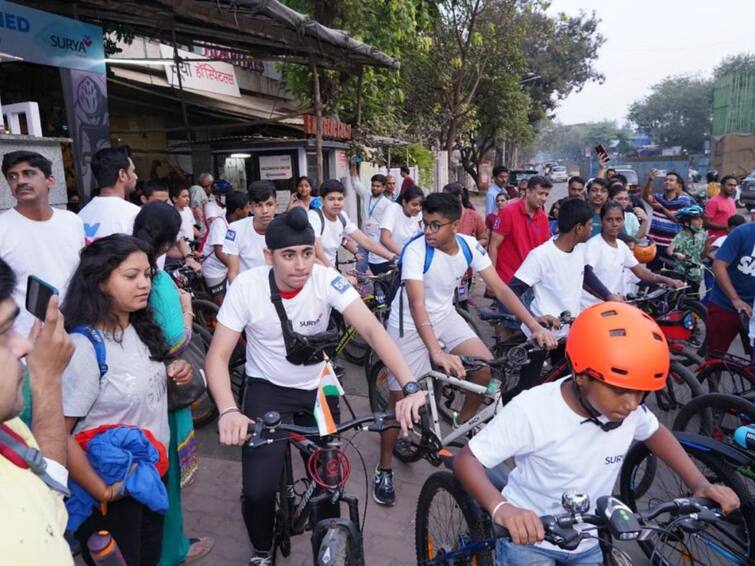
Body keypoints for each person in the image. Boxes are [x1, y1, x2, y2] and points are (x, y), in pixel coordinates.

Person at [204, 207, 426, 566]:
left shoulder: (326, 280)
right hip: (267, 389)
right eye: (288, 255)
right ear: (268, 256)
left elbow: (372, 330)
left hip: (319, 389)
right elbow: (216, 357)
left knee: (330, 485)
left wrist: (410, 384)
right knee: (258, 492)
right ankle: (262, 550)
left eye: (307, 253)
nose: (300, 264)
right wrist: (229, 410)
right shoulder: (246, 286)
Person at [455, 302, 739, 565]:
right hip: (530, 540)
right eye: (619, 390)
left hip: (588, 540)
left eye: (642, 393)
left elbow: (656, 432)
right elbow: (467, 461)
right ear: (581, 375)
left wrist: (699, 483)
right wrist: (502, 508)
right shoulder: (533, 410)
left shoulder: (627, 411)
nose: (632, 403)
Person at [378, 193, 557, 506]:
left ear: (455, 225)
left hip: (445, 317)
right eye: (425, 224)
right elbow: (418, 305)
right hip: (407, 326)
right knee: (400, 403)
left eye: (436, 225)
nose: (428, 231)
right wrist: (436, 351)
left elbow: (501, 287)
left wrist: (534, 324)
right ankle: (384, 467)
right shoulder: (416, 251)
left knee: (485, 369)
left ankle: (463, 421)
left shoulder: (469, 246)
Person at [61, 235, 194, 565]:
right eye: (130, 276)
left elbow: (130, 383)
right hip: (112, 490)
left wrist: (171, 371)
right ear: (101, 282)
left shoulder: (139, 327)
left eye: (147, 274)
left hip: (148, 476)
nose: (145, 283)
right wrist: (103, 492)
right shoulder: (85, 347)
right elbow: (58, 434)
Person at [132, 204, 214, 566]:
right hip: (161, 392)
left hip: (125, 390)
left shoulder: (118, 265)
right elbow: (175, 340)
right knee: (164, 477)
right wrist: (187, 308)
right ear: (166, 244)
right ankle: (172, 551)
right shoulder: (156, 279)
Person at [0, 258, 77, 565]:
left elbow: (48, 487)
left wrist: (47, 380)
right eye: (4, 332)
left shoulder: (9, 424)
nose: (24, 346)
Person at [509, 199, 622, 397]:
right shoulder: (541, 255)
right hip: (541, 334)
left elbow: (586, 274)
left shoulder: (579, 249)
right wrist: (534, 320)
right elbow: (512, 292)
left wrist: (608, 296)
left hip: (568, 330)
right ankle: (496, 415)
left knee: (565, 385)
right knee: (526, 390)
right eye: (590, 225)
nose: (592, 229)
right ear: (578, 228)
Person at [0, 151, 85, 337]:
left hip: (75, 333)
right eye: (12, 176)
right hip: (25, 341)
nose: (20, 181)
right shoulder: (2, 228)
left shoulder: (72, 221)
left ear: (50, 181)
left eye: (28, 173)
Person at [581, 202, 683, 310]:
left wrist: (668, 281)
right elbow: (586, 273)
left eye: (618, 219)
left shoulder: (621, 246)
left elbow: (641, 272)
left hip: (613, 306)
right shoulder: (594, 245)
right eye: (609, 220)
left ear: (623, 221)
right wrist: (609, 296)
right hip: (592, 307)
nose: (614, 224)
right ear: (602, 221)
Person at [488, 176, 552, 331]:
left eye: (546, 195)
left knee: (528, 329)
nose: (543, 198)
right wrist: (491, 280)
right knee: (510, 328)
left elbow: (545, 251)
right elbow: (493, 246)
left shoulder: (542, 217)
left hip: (530, 282)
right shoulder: (508, 212)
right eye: (540, 193)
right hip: (508, 281)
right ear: (528, 192)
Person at [308, 179, 395, 268]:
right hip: (315, 272)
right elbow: (318, 254)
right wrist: (337, 276)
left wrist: (392, 258)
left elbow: (365, 241)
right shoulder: (314, 217)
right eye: (331, 199)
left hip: (330, 271)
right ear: (322, 200)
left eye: (340, 199)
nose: (336, 203)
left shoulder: (342, 217)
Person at [707, 221, 755, 357]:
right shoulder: (743, 232)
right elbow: (718, 266)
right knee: (715, 355)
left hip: (753, 310)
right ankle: (710, 376)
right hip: (725, 305)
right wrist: (735, 299)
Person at [78, 146, 141, 244]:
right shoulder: (135, 214)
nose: (136, 176)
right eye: (133, 171)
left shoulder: (81, 215)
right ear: (122, 174)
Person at [202, 191, 251, 302]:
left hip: (226, 267)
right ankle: (214, 319)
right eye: (247, 208)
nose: (249, 211)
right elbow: (219, 252)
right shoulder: (219, 224)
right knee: (220, 303)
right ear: (238, 210)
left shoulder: (238, 222)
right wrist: (236, 267)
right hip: (214, 269)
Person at [224, 181, 276, 283]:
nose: (265, 210)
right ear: (251, 208)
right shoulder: (236, 229)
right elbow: (233, 273)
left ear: (276, 206)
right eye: (258, 205)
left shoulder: (284, 230)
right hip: (245, 288)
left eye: (269, 204)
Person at [642, 169, 694, 267]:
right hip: (655, 243)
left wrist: (661, 207)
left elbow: (677, 219)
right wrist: (650, 180)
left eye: (671, 180)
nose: (667, 182)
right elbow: (645, 197)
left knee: (672, 274)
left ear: (678, 185)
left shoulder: (684, 201)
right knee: (655, 273)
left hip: (673, 245)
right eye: (666, 180)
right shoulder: (658, 197)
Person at [347, 165, 393, 274]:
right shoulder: (366, 196)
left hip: (377, 243)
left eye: (378, 186)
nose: (374, 188)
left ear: (384, 187)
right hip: (363, 239)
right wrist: (352, 169)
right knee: (360, 268)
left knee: (378, 272)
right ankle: (359, 288)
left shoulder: (388, 204)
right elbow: (356, 184)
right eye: (373, 185)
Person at [370, 186, 424, 276]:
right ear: (404, 202)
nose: (418, 208)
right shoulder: (393, 209)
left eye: (420, 205)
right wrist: (407, 255)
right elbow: (384, 239)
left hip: (402, 259)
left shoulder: (417, 215)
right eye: (414, 204)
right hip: (383, 260)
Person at [667, 205, 709, 286]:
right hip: (681, 273)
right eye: (696, 219)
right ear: (687, 223)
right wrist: (675, 254)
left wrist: (707, 245)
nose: (701, 221)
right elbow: (669, 250)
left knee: (693, 297)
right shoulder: (681, 236)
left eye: (701, 218)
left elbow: (702, 256)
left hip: (696, 275)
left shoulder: (702, 235)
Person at [443, 182, 488, 246]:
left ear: (459, 197)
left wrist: (470, 246)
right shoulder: (442, 216)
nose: (445, 201)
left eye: (448, 198)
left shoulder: (474, 217)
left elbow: (485, 239)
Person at [704, 175, 737, 241]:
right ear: (721, 186)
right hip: (716, 241)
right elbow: (706, 223)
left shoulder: (732, 200)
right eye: (730, 185)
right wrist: (726, 227)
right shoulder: (713, 201)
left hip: (729, 239)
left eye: (734, 185)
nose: (733, 188)